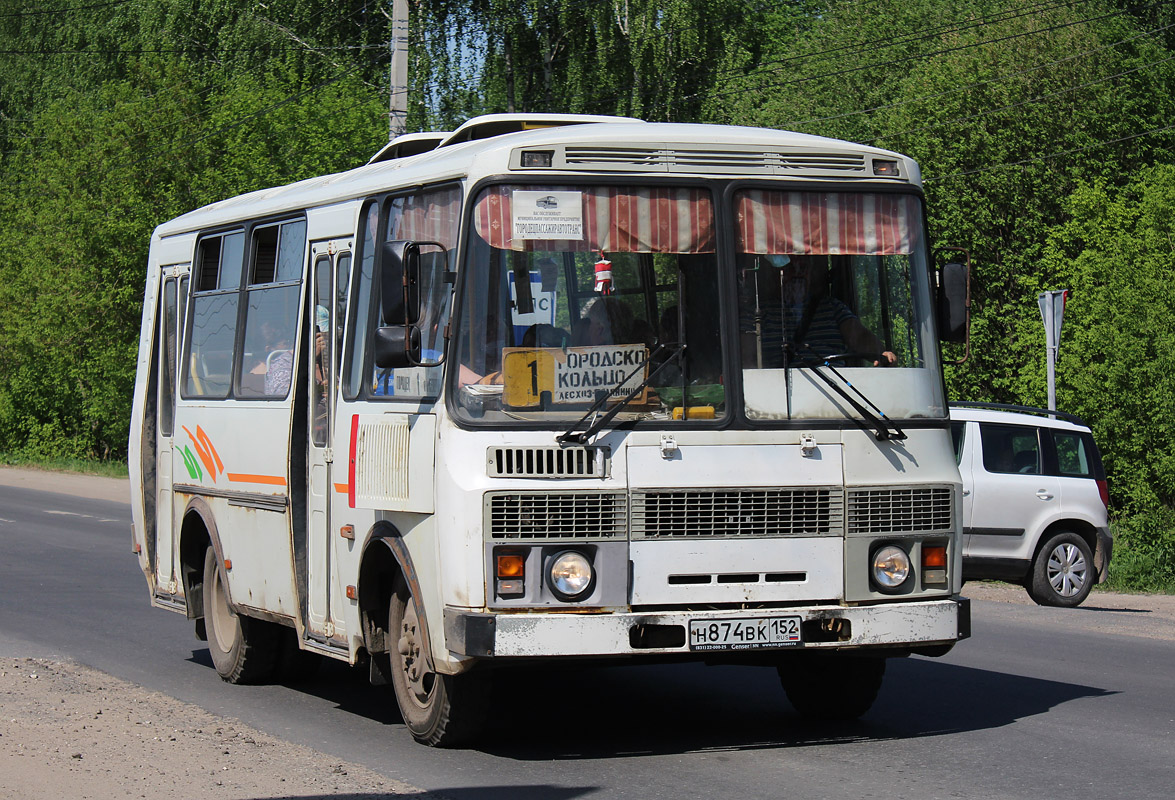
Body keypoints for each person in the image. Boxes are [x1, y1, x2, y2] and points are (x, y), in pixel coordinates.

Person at [740, 254, 896, 368]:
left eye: (803, 268)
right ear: (774, 274)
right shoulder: (757, 313)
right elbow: (746, 360)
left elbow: (860, 337)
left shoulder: (832, 308)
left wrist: (881, 353)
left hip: (836, 394)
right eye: (789, 268)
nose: (797, 274)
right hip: (778, 401)